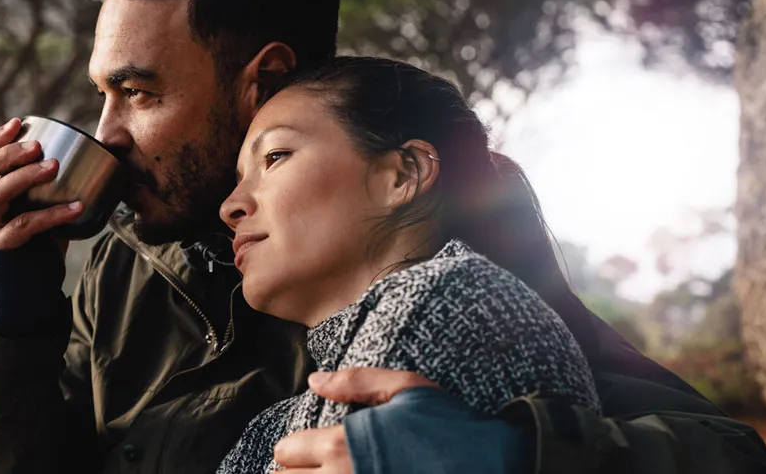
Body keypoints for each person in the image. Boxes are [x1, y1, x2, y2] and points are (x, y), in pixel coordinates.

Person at [0, 0, 766, 472]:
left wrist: (515, 455)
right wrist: (9, 311)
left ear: (263, 80)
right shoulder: (123, 262)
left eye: (140, 92)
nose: (110, 132)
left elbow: (724, 454)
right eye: (102, 95)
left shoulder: (441, 225)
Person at [216, 56, 601, 473]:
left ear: (403, 174)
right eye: (239, 179)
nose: (230, 206)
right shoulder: (272, 423)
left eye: (274, 156)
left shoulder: (446, 299)